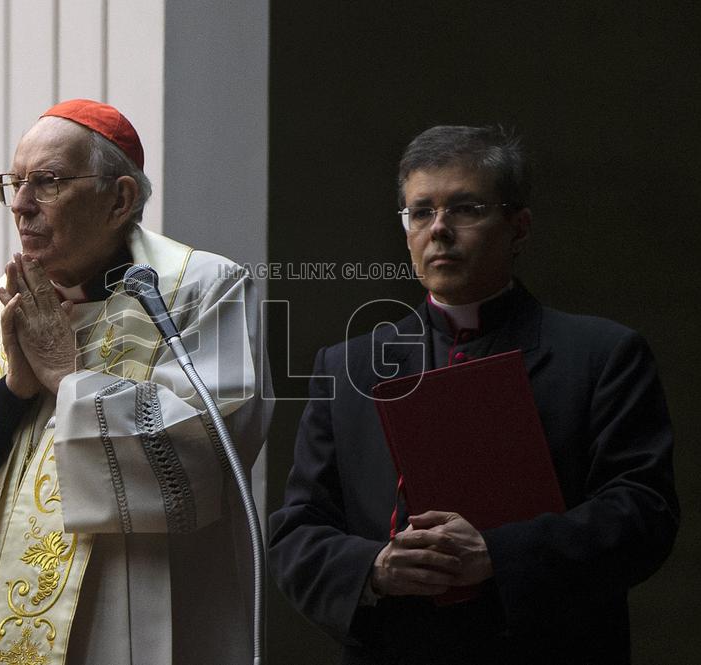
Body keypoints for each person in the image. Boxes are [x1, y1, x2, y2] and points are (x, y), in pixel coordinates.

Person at [0, 99, 271, 665]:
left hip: (125, 622)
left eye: (49, 183)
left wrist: (66, 378)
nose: (20, 205)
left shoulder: (199, 289)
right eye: (14, 183)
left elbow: (209, 455)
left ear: (119, 199)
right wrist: (12, 394)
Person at [268, 125, 678, 664]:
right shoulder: (348, 365)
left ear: (519, 226)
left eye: (465, 208)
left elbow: (642, 513)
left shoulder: (602, 355)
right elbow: (297, 531)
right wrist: (377, 569)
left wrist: (496, 555)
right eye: (421, 212)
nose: (439, 229)